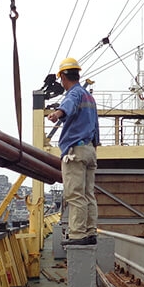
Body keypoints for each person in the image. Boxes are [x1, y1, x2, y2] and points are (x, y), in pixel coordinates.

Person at [47, 57, 99, 246]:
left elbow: (68, 104)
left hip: (75, 150)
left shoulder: (74, 93)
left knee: (75, 194)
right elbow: (95, 125)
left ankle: (78, 235)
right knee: (88, 194)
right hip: (90, 149)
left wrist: (57, 114)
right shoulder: (89, 97)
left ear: (63, 78)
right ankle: (91, 231)